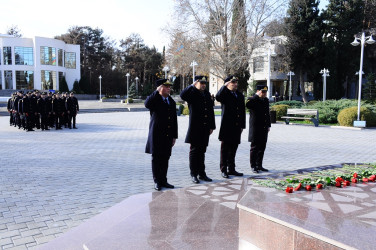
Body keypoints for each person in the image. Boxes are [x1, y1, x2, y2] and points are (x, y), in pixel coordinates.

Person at [180, 76, 215, 184]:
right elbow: (182, 95)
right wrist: (191, 85)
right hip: (195, 128)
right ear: (196, 83)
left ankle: (202, 173)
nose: (204, 85)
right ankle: (194, 173)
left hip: (205, 127)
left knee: (202, 151)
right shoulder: (192, 93)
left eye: (205, 83)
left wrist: (211, 126)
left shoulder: (206, 94)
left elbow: (210, 111)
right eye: (201, 83)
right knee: (194, 152)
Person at [145, 79, 178, 191]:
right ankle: (157, 181)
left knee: (165, 158)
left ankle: (164, 180)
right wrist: (156, 91)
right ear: (160, 87)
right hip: (156, 134)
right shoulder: (155, 99)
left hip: (168, 135)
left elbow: (174, 120)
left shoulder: (171, 101)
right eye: (166, 86)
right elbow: (147, 104)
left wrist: (174, 136)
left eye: (169, 87)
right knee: (156, 158)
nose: (169, 88)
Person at [215, 76, 246, 178]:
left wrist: (242, 125)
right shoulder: (225, 94)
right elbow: (218, 97)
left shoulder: (239, 95)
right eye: (233, 82)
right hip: (227, 126)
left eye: (236, 82)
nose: (235, 84)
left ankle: (231, 169)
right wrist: (224, 86)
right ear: (227, 83)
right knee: (225, 149)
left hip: (237, 126)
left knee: (233, 149)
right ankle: (223, 169)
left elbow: (242, 111)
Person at [246, 85, 271, 173]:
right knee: (254, 147)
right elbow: (248, 105)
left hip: (264, 127)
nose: (264, 94)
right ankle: (253, 166)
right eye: (262, 92)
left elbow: (267, 113)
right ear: (258, 91)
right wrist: (256, 95)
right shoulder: (253, 99)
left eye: (265, 92)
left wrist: (268, 125)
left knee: (262, 147)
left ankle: (259, 165)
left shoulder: (266, 100)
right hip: (255, 127)